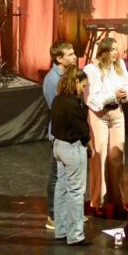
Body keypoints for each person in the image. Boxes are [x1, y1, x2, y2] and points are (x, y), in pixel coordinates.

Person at [84, 36, 128, 218]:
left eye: (116, 49)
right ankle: (97, 202)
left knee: (117, 158)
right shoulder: (92, 69)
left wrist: (124, 94)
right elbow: (92, 100)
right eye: (112, 49)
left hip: (117, 114)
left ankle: (118, 202)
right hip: (99, 115)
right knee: (99, 157)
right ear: (104, 51)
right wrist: (113, 95)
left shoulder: (119, 65)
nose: (116, 52)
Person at [51, 67, 91, 246]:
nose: (84, 89)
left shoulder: (58, 99)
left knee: (61, 188)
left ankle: (61, 230)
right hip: (72, 148)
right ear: (76, 82)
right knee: (75, 191)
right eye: (83, 85)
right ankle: (75, 235)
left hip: (58, 147)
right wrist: (89, 144)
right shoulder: (73, 104)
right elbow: (82, 128)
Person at [43, 41, 78, 230]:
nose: (74, 57)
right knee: (57, 175)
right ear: (59, 58)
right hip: (59, 133)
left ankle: (68, 212)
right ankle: (53, 215)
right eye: (70, 54)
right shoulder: (52, 80)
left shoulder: (69, 74)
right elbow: (56, 108)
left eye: (73, 53)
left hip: (70, 131)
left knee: (70, 176)